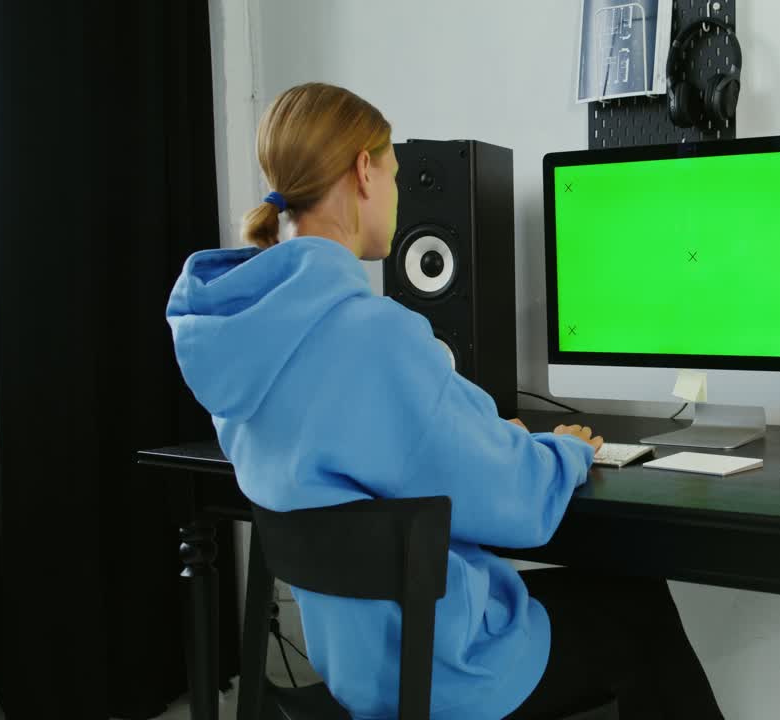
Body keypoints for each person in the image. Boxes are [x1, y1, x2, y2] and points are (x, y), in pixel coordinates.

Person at [166, 82, 723, 720]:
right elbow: (513, 502)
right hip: (439, 669)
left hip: (355, 662)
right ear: (363, 171)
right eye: (397, 174)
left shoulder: (239, 332)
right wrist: (560, 452)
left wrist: (477, 433)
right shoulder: (371, 334)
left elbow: (401, 449)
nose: (400, 196)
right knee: (637, 605)